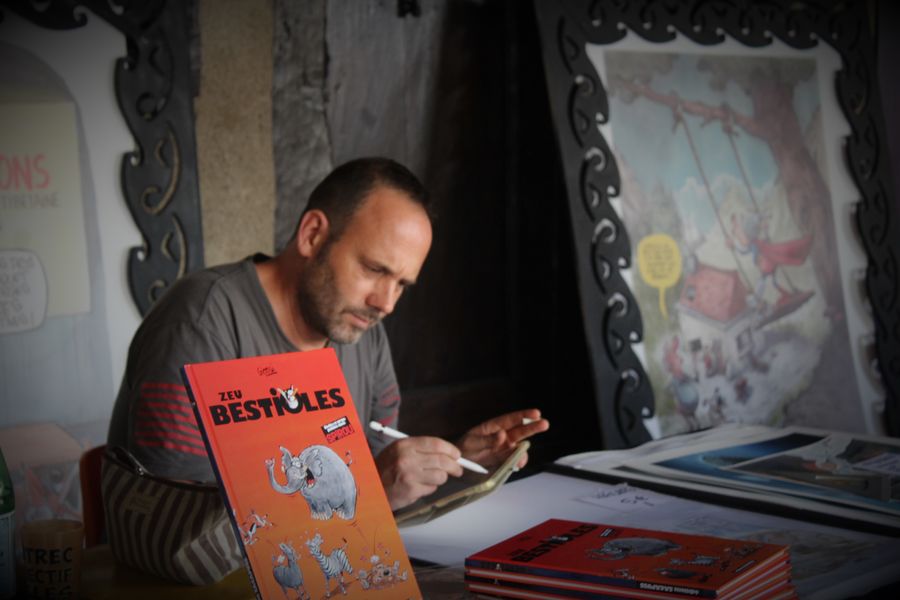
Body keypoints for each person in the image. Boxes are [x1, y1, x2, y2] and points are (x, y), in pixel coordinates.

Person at [108, 157, 549, 510]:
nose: (386, 303)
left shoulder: (364, 332)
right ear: (313, 235)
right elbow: (175, 521)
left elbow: (376, 492)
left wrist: (458, 464)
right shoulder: (201, 323)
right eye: (374, 269)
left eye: (402, 284)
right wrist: (370, 490)